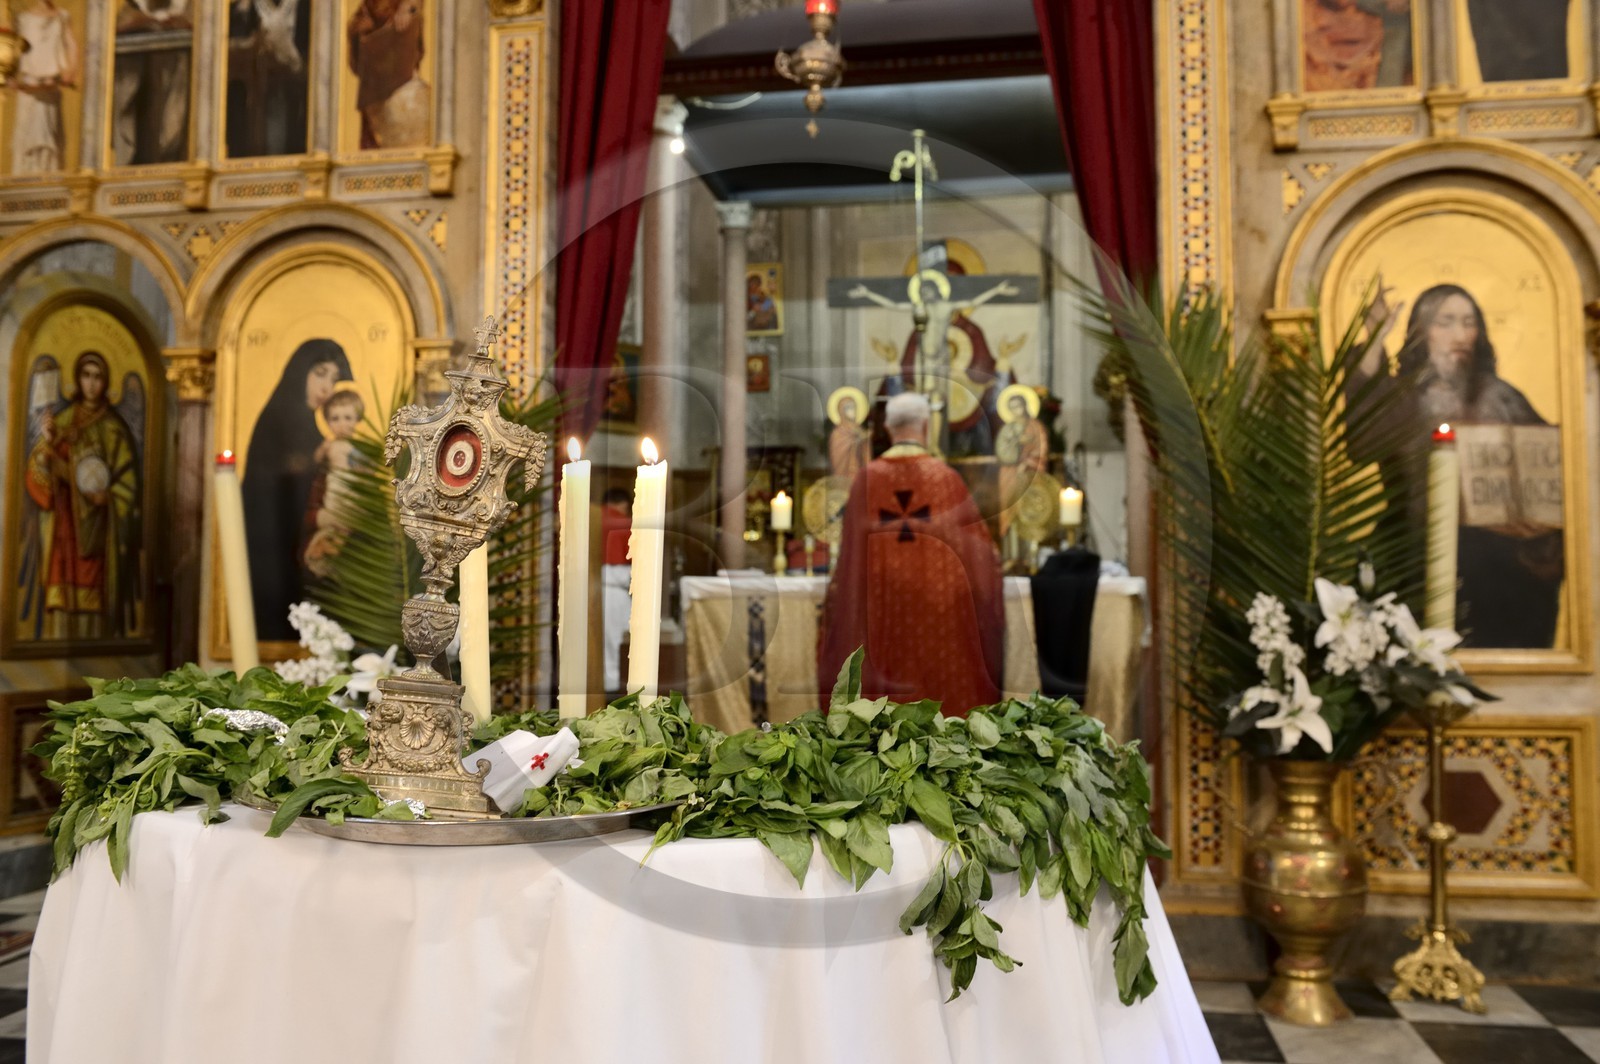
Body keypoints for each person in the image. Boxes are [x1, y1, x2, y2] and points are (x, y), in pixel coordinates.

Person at [1355, 282, 1562, 648]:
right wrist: (1374, 337)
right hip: (1415, 550)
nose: (1461, 335)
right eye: (1445, 322)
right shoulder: (1405, 395)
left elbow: (1549, 468)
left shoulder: (1503, 396)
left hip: (1502, 563)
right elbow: (1362, 441)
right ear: (1422, 332)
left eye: (1469, 323)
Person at [818, 392, 1003, 716]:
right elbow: (976, 554)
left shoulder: (866, 478)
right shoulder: (945, 479)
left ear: (888, 429)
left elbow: (850, 558)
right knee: (941, 693)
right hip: (938, 613)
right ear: (926, 426)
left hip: (880, 609)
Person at [24, 352, 141, 640]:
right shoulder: (61, 421)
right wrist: (45, 450)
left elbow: (128, 483)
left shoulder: (114, 430)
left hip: (97, 530)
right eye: (86, 375)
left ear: (106, 382)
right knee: (61, 597)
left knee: (92, 604)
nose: (91, 384)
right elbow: (39, 478)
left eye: (97, 377)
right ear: (77, 378)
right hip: (64, 528)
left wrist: (110, 498)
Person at [243, 339, 352, 641]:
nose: (327, 388)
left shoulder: (311, 427)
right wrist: (316, 461)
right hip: (273, 549)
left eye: (332, 379)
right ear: (299, 371)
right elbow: (271, 481)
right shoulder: (275, 420)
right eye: (320, 374)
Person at [110, 0, 192, 166]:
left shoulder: (188, 5)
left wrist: (173, 23)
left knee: (170, 123)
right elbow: (115, 29)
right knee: (142, 124)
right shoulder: (132, 7)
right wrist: (146, 21)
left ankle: (167, 157)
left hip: (173, 71)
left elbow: (197, 26)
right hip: (138, 74)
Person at [225, 0, 311, 158]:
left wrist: (295, 65)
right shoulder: (250, 6)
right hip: (260, 86)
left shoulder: (307, 6)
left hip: (296, 88)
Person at [346, 0, 430, 150]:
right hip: (375, 84)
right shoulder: (369, 6)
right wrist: (361, 28)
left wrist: (408, 7)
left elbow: (414, 10)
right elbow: (357, 25)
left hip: (403, 81)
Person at [302, 388, 365, 579]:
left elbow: (366, 473)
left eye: (348, 417)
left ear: (358, 419)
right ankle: (323, 556)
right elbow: (315, 463)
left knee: (348, 517)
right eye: (335, 419)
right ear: (327, 422)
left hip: (353, 489)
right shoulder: (329, 445)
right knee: (334, 521)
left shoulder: (359, 449)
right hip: (334, 486)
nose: (341, 424)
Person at [12, 0, 79, 173]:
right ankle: (26, 179)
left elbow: (71, 44)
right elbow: (13, 50)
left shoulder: (62, 17)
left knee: (49, 136)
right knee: (28, 139)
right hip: (28, 88)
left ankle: (48, 175)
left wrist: (70, 70)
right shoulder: (23, 18)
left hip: (51, 87)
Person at [994, 384, 1049, 540]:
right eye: (1012, 407)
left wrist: (1026, 463)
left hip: (1030, 473)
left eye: (1018, 406)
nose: (1016, 410)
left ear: (1025, 406)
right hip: (1009, 474)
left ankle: (1029, 549)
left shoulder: (1036, 427)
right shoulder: (1007, 429)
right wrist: (1016, 442)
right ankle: (1009, 549)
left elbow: (1041, 452)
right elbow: (1002, 451)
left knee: (1028, 510)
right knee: (1009, 509)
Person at [600, 487, 632, 697]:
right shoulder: (624, 523)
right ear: (622, 504)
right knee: (616, 642)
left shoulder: (592, 518)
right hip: (616, 589)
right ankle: (613, 692)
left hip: (594, 590)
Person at [826, 387, 870, 480]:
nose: (852, 410)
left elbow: (866, 454)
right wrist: (856, 441)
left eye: (854, 407)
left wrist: (864, 440)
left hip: (859, 472)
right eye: (849, 408)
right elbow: (837, 456)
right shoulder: (838, 433)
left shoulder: (859, 430)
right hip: (844, 475)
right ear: (841, 410)